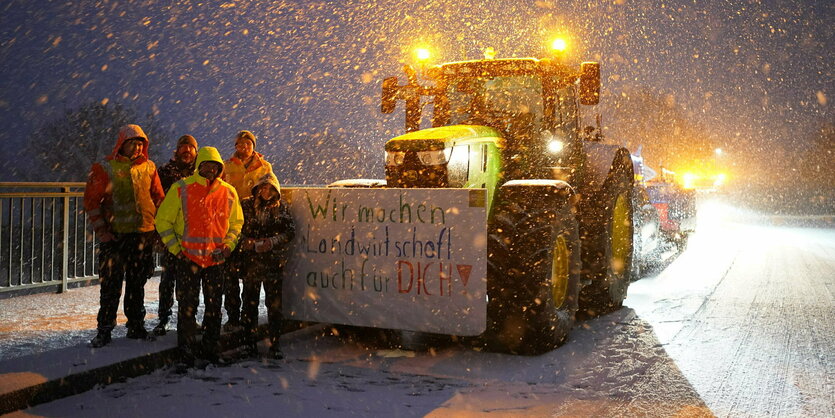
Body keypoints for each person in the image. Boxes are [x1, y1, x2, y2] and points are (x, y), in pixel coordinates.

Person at [155, 146, 243, 363]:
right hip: (188, 259)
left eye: (215, 166)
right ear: (199, 166)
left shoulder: (229, 191)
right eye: (207, 165)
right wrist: (177, 250)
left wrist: (228, 247)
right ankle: (186, 352)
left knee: (213, 307)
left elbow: (236, 223)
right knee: (188, 307)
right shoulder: (181, 188)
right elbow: (162, 221)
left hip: (215, 259)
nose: (211, 170)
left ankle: (210, 349)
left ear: (220, 168)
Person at [84, 124, 165, 348]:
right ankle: (104, 330)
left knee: (137, 284)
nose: (138, 148)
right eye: (133, 143)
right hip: (116, 237)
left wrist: (158, 230)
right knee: (111, 286)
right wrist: (103, 232)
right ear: (122, 143)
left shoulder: (149, 167)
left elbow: (159, 199)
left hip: (143, 235)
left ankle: (136, 326)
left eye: (141, 144)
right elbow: (91, 201)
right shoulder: (104, 168)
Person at [235, 173, 295, 359]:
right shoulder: (245, 205)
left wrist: (272, 241)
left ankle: (275, 344)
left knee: (274, 305)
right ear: (257, 189)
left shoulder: (282, 207)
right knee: (249, 303)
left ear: (276, 190)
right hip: (251, 262)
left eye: (270, 188)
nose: (266, 191)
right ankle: (249, 343)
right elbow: (235, 227)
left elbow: (290, 232)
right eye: (263, 187)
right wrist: (247, 242)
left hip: (273, 263)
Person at [221, 130, 273, 331]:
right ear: (235, 146)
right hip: (232, 222)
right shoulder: (226, 166)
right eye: (240, 144)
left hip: (254, 224)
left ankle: (247, 316)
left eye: (247, 144)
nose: (243, 147)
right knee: (231, 276)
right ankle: (233, 316)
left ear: (254, 146)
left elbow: (271, 189)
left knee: (251, 276)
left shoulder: (264, 166)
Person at [152, 134, 198, 336]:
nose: (187, 151)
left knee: (189, 282)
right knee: (168, 278)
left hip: (194, 235)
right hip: (171, 233)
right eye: (183, 148)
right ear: (177, 151)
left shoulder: (201, 172)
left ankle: (188, 318)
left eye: (190, 148)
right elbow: (156, 200)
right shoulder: (165, 172)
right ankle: (163, 318)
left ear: (196, 152)